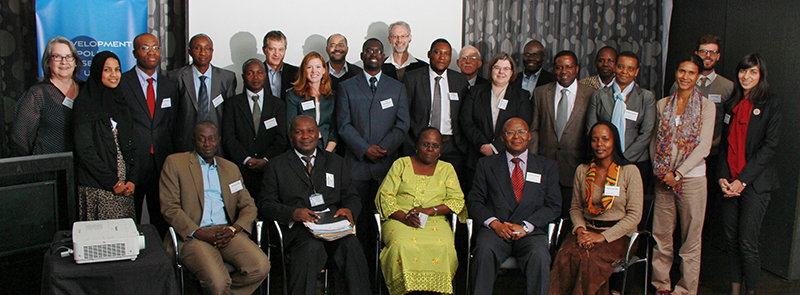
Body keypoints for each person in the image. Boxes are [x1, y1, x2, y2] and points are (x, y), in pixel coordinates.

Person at [259, 115, 370, 295]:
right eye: (299, 132)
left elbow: (352, 196)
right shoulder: (276, 165)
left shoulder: (336, 162)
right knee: (311, 248)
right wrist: (292, 213)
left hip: (333, 228)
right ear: (290, 136)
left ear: (318, 134)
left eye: (310, 131)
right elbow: (265, 204)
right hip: (299, 231)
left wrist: (349, 209)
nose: (305, 136)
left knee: (351, 245)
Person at [160, 121, 270, 295]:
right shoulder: (175, 163)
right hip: (193, 236)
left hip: (226, 232)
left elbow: (248, 205)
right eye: (201, 139)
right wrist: (198, 232)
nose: (207, 143)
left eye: (211, 139)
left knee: (261, 266)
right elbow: (169, 207)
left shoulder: (230, 168)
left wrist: (233, 229)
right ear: (193, 141)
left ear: (218, 140)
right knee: (219, 282)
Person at [336, 37, 409, 292]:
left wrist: (383, 148)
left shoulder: (396, 88)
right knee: (359, 226)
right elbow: (343, 125)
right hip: (356, 167)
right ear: (362, 54)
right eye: (369, 51)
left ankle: (386, 281)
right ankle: (359, 282)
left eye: (378, 51)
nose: (374, 54)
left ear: (384, 56)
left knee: (385, 225)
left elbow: (402, 125)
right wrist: (365, 149)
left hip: (386, 167)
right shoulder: (346, 86)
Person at [468, 118, 561, 295]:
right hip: (496, 230)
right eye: (510, 133)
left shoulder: (547, 166)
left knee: (540, 256)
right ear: (502, 137)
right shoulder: (486, 165)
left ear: (530, 136)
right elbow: (475, 201)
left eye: (521, 132)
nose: (516, 137)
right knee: (483, 251)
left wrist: (526, 226)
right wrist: (495, 224)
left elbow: (554, 206)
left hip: (529, 231)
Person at [549, 121, 643, 295]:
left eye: (605, 139)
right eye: (595, 140)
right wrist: (580, 229)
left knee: (589, 259)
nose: (600, 144)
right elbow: (576, 208)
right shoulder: (583, 170)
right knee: (565, 255)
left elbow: (634, 215)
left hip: (618, 236)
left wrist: (602, 237)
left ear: (614, 141)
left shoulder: (629, 171)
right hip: (586, 230)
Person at [650, 54, 715, 295]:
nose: (685, 77)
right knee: (661, 237)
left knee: (690, 241)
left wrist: (678, 173)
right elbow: (655, 141)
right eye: (681, 71)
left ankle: (685, 290)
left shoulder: (707, 107)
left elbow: (704, 147)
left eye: (690, 73)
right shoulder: (662, 103)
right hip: (663, 179)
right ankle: (661, 286)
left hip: (692, 179)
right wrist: (661, 170)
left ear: (698, 77)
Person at [375, 127, 465, 295]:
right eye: (425, 144)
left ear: (440, 150)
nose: (430, 149)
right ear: (417, 146)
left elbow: (456, 200)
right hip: (399, 219)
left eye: (435, 146)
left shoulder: (447, 169)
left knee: (445, 246)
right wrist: (404, 218)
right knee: (401, 245)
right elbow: (385, 196)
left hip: (435, 221)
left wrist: (431, 211)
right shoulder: (401, 164)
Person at [718, 53, 780, 295]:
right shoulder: (731, 104)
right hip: (729, 183)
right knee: (732, 243)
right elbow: (725, 145)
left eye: (753, 71)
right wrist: (723, 177)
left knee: (747, 244)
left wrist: (742, 181)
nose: (747, 76)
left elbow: (769, 146)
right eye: (744, 71)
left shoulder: (771, 104)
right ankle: (735, 292)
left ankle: (751, 292)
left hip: (754, 184)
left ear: (761, 75)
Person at [119, 33, 179, 236]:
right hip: (133, 163)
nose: (151, 52)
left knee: (161, 218)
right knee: (129, 218)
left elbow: (172, 124)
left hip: (162, 163)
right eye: (145, 48)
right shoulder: (122, 83)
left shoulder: (169, 85)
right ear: (135, 53)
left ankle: (162, 259)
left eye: (155, 47)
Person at [530, 50, 595, 218]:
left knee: (571, 215)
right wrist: (534, 163)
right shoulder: (540, 93)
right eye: (559, 67)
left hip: (576, 167)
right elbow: (535, 130)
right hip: (545, 165)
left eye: (568, 67)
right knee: (544, 213)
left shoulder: (590, 94)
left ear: (577, 69)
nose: (564, 71)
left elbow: (592, 132)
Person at [73, 51, 137, 220]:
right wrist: (112, 182)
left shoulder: (121, 100)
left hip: (124, 186)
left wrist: (131, 180)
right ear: (96, 72)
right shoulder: (84, 103)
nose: (114, 74)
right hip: (99, 185)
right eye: (107, 70)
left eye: (117, 69)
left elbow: (131, 143)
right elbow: (85, 151)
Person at [585, 51, 657, 192]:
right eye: (620, 66)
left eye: (630, 69)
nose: (624, 72)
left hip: (635, 162)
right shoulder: (598, 96)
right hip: (603, 161)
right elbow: (591, 130)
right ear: (615, 68)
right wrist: (607, 159)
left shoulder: (646, 97)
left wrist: (622, 159)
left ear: (636, 72)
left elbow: (647, 133)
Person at [459, 52, 532, 189]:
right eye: (497, 67)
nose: (501, 72)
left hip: (507, 157)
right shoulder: (475, 92)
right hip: (476, 156)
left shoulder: (521, 96)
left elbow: (522, 125)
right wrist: (483, 145)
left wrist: (495, 147)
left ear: (512, 72)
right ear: (491, 69)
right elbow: (466, 121)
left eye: (506, 68)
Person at [222, 58, 287, 198]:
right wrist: (246, 159)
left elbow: (281, 138)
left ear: (265, 75)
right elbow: (229, 137)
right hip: (240, 169)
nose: (255, 77)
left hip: (270, 169)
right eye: (250, 73)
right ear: (243, 76)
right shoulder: (232, 104)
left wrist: (266, 160)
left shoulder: (278, 105)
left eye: (259, 72)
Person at [403, 39, 469, 175]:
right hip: (421, 144)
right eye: (437, 52)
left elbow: (464, 114)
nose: (442, 57)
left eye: (447, 54)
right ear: (429, 54)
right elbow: (405, 113)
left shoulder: (460, 80)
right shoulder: (412, 78)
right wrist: (412, 141)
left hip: (451, 145)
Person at [10, 36, 82, 156]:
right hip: (50, 169)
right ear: (48, 62)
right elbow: (20, 140)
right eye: (57, 57)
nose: (64, 62)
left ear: (75, 62)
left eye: (69, 57)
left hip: (82, 169)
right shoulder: (37, 95)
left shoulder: (86, 90)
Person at [169, 33, 237, 154]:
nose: (203, 52)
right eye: (198, 48)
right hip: (186, 143)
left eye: (207, 48)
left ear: (212, 51)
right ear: (190, 51)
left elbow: (230, 115)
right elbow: (172, 116)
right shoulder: (176, 77)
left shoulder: (227, 78)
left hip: (218, 144)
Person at [286, 52, 338, 152]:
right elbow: (290, 128)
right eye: (309, 67)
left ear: (324, 70)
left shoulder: (332, 96)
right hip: (301, 148)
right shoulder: (292, 95)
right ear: (304, 70)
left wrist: (327, 153)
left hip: (327, 148)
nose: (314, 71)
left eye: (318, 67)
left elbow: (334, 130)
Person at [262, 30, 299, 100]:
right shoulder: (256, 73)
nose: (276, 54)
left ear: (285, 49)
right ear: (264, 50)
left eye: (280, 49)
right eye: (272, 49)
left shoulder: (296, 73)